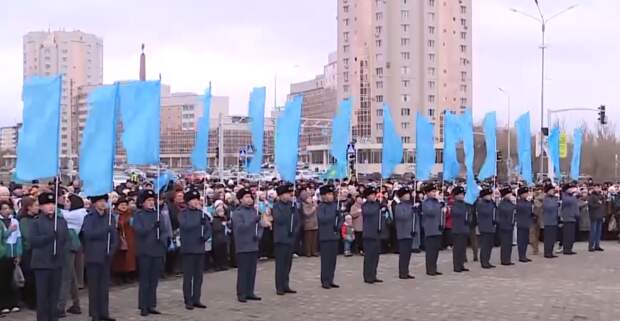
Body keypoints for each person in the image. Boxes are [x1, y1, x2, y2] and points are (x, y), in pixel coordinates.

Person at [30, 191, 70, 321]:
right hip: (42, 264)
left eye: (53, 203)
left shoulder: (61, 222)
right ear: (41, 207)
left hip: (57, 263)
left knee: (55, 295)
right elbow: (33, 241)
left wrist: (62, 253)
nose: (51, 206)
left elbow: (66, 240)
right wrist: (48, 238)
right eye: (47, 204)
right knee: (43, 296)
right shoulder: (36, 222)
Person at [81, 194, 118, 321]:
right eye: (100, 201)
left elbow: (114, 237)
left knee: (104, 287)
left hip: (106, 256)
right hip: (93, 256)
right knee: (94, 287)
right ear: (94, 203)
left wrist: (112, 250)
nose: (103, 204)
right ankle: (94, 314)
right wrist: (104, 230)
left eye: (104, 201)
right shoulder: (89, 217)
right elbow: (88, 234)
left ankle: (104, 313)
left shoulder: (110, 218)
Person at [132, 189, 169, 316]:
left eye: (152, 200)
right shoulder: (138, 215)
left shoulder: (158, 214)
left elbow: (164, 231)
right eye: (148, 200)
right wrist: (152, 226)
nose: (151, 202)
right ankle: (143, 305)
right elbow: (139, 231)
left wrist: (162, 239)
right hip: (145, 251)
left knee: (154, 280)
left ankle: (151, 304)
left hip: (157, 250)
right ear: (142, 202)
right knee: (145, 280)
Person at [178, 189, 210, 310]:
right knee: (188, 276)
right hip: (188, 249)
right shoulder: (183, 213)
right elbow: (186, 226)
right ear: (188, 201)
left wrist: (205, 237)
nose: (196, 202)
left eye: (197, 199)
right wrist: (198, 222)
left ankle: (197, 298)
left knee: (198, 276)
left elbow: (208, 229)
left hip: (199, 248)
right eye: (193, 199)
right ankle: (188, 299)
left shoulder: (201, 214)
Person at [232, 188, 265, 303]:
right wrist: (252, 221)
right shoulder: (237, 213)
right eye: (246, 197)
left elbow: (260, 226)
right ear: (240, 199)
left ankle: (250, 291)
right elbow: (240, 228)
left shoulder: (254, 211)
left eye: (250, 197)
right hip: (243, 245)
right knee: (243, 271)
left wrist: (259, 235)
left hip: (253, 244)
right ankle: (241, 293)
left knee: (252, 270)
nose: (249, 199)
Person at [271, 184, 300, 295]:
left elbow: (297, 220)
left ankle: (286, 284)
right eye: (286, 194)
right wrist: (290, 213)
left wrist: (295, 231)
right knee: (280, 264)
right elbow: (279, 219)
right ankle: (279, 286)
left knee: (288, 264)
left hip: (290, 238)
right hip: (280, 238)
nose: (289, 196)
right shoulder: (276, 206)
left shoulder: (292, 205)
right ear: (280, 195)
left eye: (289, 194)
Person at [0, 199, 22, 315]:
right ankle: (4, 304)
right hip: (3, 253)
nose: (7, 210)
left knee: (13, 280)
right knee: (3, 281)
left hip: (13, 252)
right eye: (4, 208)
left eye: (8, 208)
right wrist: (9, 231)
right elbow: (2, 237)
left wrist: (19, 253)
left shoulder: (15, 221)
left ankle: (14, 303)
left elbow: (18, 237)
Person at [317, 184, 340, 289]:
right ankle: (325, 280)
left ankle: (331, 279)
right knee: (326, 260)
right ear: (323, 196)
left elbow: (340, 219)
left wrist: (338, 224)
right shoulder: (321, 207)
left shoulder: (335, 205)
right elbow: (322, 219)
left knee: (332, 260)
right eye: (329, 194)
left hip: (334, 235)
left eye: (332, 194)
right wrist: (333, 216)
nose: (331, 196)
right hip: (325, 236)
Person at [17, 196, 38, 310]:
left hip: (35, 251)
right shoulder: (24, 220)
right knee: (29, 278)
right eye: (35, 205)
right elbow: (28, 236)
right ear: (29, 207)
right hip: (28, 252)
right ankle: (30, 301)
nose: (37, 207)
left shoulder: (36, 218)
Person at [362, 186, 384, 284]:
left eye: (374, 194)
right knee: (369, 257)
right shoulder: (365, 205)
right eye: (371, 195)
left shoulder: (376, 204)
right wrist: (378, 206)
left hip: (376, 233)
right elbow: (369, 212)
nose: (373, 196)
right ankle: (367, 276)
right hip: (368, 234)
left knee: (375, 256)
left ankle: (373, 274)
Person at [111, 198, 137, 283]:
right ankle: (119, 275)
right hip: (119, 238)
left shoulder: (131, 214)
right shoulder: (115, 215)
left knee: (129, 258)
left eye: (125, 205)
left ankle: (129, 275)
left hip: (130, 238)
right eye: (121, 205)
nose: (123, 206)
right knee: (119, 258)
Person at [421, 183, 443, 276]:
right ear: (427, 193)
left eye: (435, 191)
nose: (434, 193)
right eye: (432, 191)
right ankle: (430, 269)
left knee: (436, 250)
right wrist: (439, 205)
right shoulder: (426, 203)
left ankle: (434, 267)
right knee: (430, 250)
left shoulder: (436, 202)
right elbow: (430, 212)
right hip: (430, 229)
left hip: (437, 228)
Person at [394, 187, 415, 279]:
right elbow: (402, 217)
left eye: (408, 194)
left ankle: (406, 271)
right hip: (403, 233)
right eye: (405, 194)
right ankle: (402, 272)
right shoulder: (399, 206)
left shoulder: (410, 205)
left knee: (408, 254)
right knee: (403, 254)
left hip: (410, 232)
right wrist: (412, 211)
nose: (408, 196)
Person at [450, 186, 470, 272]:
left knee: (462, 249)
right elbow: (456, 213)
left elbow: (469, 214)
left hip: (464, 228)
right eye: (460, 194)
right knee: (457, 249)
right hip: (457, 229)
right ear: (456, 195)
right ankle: (456, 266)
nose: (462, 196)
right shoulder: (454, 204)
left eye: (463, 194)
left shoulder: (464, 204)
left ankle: (461, 264)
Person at [476, 188, 496, 269]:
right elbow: (486, 212)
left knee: (489, 245)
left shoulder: (491, 202)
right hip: (484, 226)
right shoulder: (481, 203)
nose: (490, 196)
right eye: (488, 195)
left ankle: (487, 260)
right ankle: (484, 262)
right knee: (485, 245)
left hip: (491, 226)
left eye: (490, 195)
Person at [497, 187, 516, 266]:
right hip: (504, 226)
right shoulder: (502, 204)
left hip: (510, 225)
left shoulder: (510, 203)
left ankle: (508, 259)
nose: (510, 195)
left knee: (509, 244)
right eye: (508, 193)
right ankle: (504, 260)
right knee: (505, 244)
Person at [515, 187, 534, 263]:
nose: (527, 194)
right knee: (521, 241)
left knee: (525, 240)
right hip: (521, 223)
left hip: (527, 222)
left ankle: (524, 255)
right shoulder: (519, 203)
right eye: (525, 193)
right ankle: (521, 256)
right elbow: (525, 208)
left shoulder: (527, 202)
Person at [560, 183, 579, 255]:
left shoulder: (572, 197)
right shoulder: (565, 196)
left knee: (571, 235)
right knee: (567, 235)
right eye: (570, 189)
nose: (572, 190)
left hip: (573, 217)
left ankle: (570, 248)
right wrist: (573, 196)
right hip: (567, 217)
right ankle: (566, 249)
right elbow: (567, 201)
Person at [542, 184, 560, 258]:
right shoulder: (546, 199)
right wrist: (556, 204)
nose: (553, 191)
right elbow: (548, 207)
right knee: (548, 238)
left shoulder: (554, 199)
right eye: (551, 190)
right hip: (548, 221)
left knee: (552, 238)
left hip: (554, 220)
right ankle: (547, 252)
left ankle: (551, 251)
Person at [300, 191, 318, 257]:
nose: (310, 199)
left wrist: (315, 204)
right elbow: (307, 214)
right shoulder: (304, 205)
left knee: (314, 239)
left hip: (315, 223)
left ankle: (314, 251)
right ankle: (308, 252)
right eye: (309, 198)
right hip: (308, 224)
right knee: (308, 239)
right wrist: (313, 209)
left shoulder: (313, 204)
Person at [588, 184, 604, 251]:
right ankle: (591, 246)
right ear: (594, 188)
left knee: (598, 232)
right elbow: (591, 205)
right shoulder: (591, 196)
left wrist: (603, 215)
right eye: (596, 188)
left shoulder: (601, 196)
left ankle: (597, 245)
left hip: (600, 216)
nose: (597, 189)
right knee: (593, 232)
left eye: (599, 188)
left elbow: (603, 206)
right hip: (594, 216)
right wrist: (598, 203)